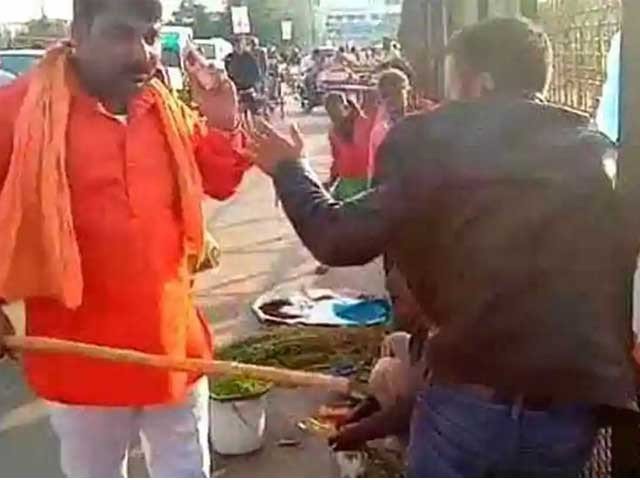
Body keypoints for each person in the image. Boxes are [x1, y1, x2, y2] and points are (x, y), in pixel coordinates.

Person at [248, 17, 637, 477]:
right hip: (570, 412)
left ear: (480, 84)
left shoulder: (436, 142)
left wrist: (290, 170)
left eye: (453, 85)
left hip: (471, 404)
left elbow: (338, 238)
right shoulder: (595, 156)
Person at [0, 0, 250, 477]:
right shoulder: (21, 111)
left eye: (151, 36)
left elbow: (219, 180)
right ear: (78, 31)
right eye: (120, 34)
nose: (142, 54)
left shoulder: (163, 107)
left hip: (175, 348)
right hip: (82, 362)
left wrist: (223, 122)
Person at [225, 36, 261, 115]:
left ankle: (255, 119)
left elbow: (256, 72)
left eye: (239, 44)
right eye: (235, 44)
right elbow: (227, 73)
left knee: (254, 110)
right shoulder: (229, 58)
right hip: (235, 88)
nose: (237, 46)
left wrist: (253, 84)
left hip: (247, 87)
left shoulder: (249, 57)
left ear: (243, 45)